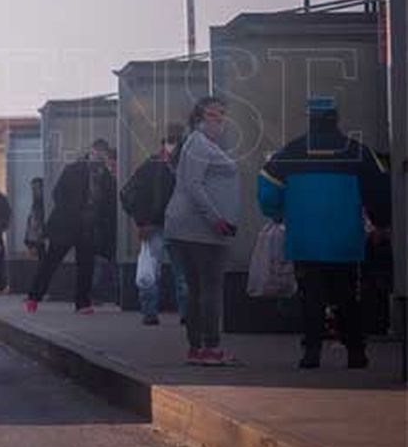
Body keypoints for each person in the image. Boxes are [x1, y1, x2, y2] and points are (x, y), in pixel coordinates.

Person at [258, 96, 392, 369]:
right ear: (336, 118)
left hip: (305, 240)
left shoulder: (292, 152)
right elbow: (380, 187)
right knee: (347, 297)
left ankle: (311, 354)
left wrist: (277, 212)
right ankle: (356, 352)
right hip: (345, 240)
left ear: (310, 119)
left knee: (311, 297)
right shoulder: (357, 151)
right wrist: (381, 223)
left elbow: (267, 185)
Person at [164, 96, 240, 366]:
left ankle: (196, 348)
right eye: (213, 116)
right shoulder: (199, 144)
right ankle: (211, 348)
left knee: (197, 291)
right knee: (209, 289)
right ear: (198, 118)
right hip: (201, 230)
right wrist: (216, 219)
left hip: (186, 228)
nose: (219, 121)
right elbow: (195, 185)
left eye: (222, 115)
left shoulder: (196, 144)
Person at [25, 139, 118, 314]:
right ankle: (33, 297)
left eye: (102, 154)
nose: (99, 156)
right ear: (90, 152)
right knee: (51, 262)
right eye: (96, 152)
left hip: (88, 227)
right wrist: (72, 211)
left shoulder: (106, 176)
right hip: (66, 225)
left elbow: (108, 204)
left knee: (86, 266)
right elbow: (58, 193)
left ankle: (82, 303)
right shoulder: (74, 169)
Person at [120, 124, 189, 326]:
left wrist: (142, 221)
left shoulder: (153, 165)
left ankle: (153, 312)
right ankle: (180, 313)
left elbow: (128, 193)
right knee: (179, 273)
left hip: (161, 226)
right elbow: (129, 193)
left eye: (176, 140)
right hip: (168, 226)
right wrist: (142, 221)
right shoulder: (175, 166)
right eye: (172, 140)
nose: (173, 145)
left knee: (152, 272)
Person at [24, 176, 49, 264]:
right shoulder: (35, 203)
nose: (35, 191)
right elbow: (31, 221)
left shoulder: (45, 203)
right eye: (33, 188)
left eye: (37, 188)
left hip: (42, 237)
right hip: (37, 237)